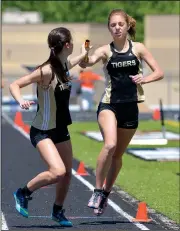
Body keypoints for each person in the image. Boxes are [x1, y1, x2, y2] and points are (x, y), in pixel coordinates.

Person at [79, 9, 164, 216]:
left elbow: (159, 72)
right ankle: (97, 190)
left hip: (130, 106)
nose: (116, 28)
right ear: (109, 28)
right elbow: (86, 63)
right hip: (109, 104)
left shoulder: (139, 48)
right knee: (110, 144)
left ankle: (106, 194)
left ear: (127, 26)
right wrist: (85, 52)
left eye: (120, 24)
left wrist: (145, 79)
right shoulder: (105, 51)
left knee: (117, 155)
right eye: (113, 25)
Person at [9, 27, 90, 227]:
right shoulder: (45, 70)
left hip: (61, 129)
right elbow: (15, 84)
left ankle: (57, 210)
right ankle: (23, 193)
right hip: (42, 130)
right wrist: (20, 101)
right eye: (72, 42)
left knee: (67, 173)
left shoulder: (64, 64)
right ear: (67, 45)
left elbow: (78, 59)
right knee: (57, 172)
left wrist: (84, 52)